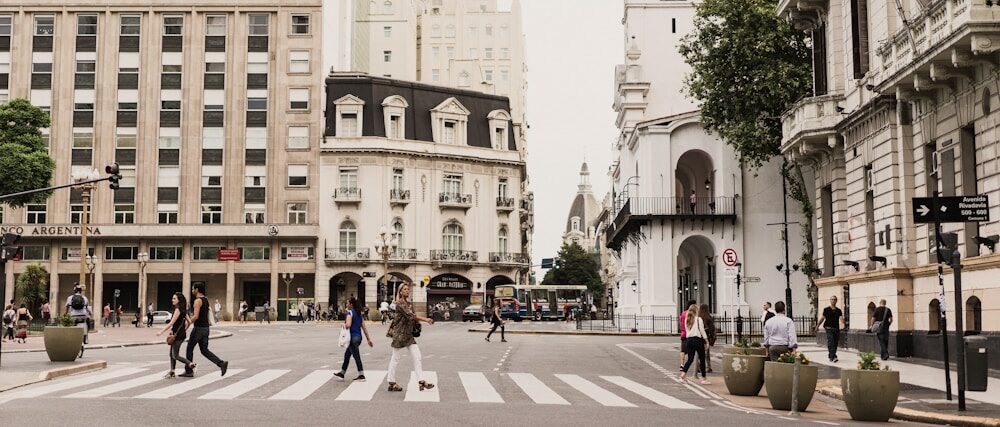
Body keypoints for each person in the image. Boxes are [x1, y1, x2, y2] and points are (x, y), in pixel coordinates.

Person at [385, 283, 435, 392]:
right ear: (400, 292)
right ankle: (391, 382)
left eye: (408, 289)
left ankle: (421, 381)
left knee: (417, 356)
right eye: (405, 289)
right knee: (395, 358)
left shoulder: (408, 303)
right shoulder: (400, 303)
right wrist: (426, 319)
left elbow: (412, 317)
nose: (407, 291)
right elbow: (410, 316)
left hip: (408, 335)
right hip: (399, 335)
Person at [182, 283, 229, 377]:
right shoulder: (206, 300)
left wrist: (186, 325)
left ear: (197, 290)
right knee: (204, 350)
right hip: (206, 328)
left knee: (189, 348)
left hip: (198, 328)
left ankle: (189, 371)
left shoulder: (197, 301)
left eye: (193, 289)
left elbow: (195, 316)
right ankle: (221, 363)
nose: (192, 291)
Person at [335, 297, 374, 382]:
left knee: (356, 356)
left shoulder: (350, 313)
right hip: (358, 337)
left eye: (347, 303)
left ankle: (361, 374)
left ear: (351, 305)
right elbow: (364, 328)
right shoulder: (359, 314)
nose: (346, 304)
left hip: (352, 338)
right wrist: (368, 339)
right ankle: (342, 373)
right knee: (347, 355)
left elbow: (348, 325)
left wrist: (343, 324)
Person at [156, 292, 193, 378]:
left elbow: (171, 323)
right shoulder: (184, 310)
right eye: (172, 298)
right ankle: (172, 371)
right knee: (171, 353)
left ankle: (191, 364)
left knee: (175, 355)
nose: (172, 300)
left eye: (174, 298)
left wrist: (161, 331)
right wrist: (184, 330)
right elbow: (190, 322)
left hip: (177, 335)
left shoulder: (178, 309)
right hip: (180, 334)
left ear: (179, 300)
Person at [679, 304, 710, 384]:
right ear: (696, 310)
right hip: (698, 340)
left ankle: (683, 374)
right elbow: (702, 331)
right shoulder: (698, 319)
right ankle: (703, 378)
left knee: (690, 359)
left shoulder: (687, 319)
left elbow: (686, 331)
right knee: (702, 359)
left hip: (689, 340)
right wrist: (706, 340)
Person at [816, 295, 844, 362]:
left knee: (835, 343)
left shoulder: (838, 310)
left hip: (836, 328)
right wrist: (817, 326)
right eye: (832, 299)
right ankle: (834, 356)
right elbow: (822, 318)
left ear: (836, 301)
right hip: (828, 328)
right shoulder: (826, 309)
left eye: (834, 299)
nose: (833, 301)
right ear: (830, 300)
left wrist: (843, 321)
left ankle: (831, 355)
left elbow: (841, 318)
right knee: (831, 342)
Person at [678, 299, 695, 370]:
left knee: (683, 350)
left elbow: (681, 323)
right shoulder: (693, 314)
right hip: (691, 334)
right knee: (695, 350)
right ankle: (697, 366)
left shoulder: (683, 313)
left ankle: (682, 364)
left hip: (684, 334)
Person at [699, 304, 716, 373]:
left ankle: (699, 367)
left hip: (699, 337)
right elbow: (712, 329)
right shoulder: (709, 317)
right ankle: (708, 367)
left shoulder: (699, 317)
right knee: (707, 353)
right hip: (707, 337)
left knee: (699, 353)